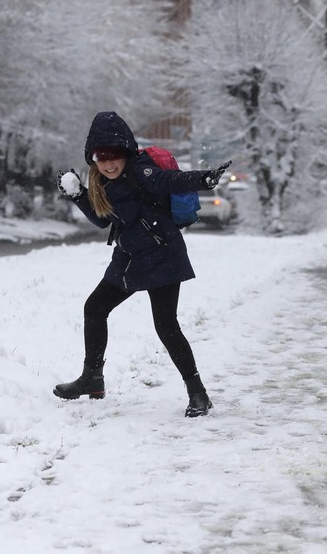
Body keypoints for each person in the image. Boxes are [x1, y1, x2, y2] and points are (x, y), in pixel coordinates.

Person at [53, 111, 230, 418]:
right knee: (95, 308)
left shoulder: (141, 171)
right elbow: (101, 219)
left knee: (166, 325)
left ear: (126, 153)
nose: (108, 163)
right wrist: (79, 194)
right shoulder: (101, 181)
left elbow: (170, 180)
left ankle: (198, 393)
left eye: (114, 156)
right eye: (101, 157)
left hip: (161, 253)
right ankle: (92, 379)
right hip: (129, 257)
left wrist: (203, 178)